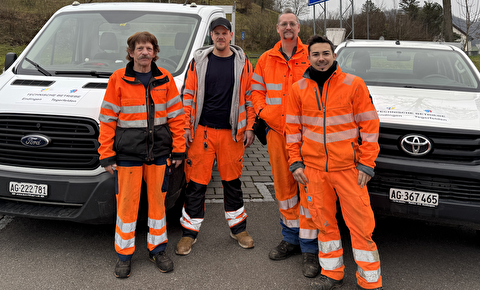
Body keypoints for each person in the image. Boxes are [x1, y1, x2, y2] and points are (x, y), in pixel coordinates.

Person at [285, 35, 383, 290]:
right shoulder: (298, 89)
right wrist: (295, 163)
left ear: (334, 56)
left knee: (361, 226)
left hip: (349, 170)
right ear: (308, 58)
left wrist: (367, 164)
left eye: (325, 53)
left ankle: (370, 280)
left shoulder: (354, 85)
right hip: (314, 172)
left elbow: (370, 127)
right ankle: (332, 273)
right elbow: (293, 130)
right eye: (316, 54)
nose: (321, 59)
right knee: (324, 225)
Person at [98, 31, 186, 278]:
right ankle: (124, 256)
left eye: (149, 48)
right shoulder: (118, 79)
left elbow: (177, 118)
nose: (144, 52)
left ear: (155, 52)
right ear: (131, 53)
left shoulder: (165, 79)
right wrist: (106, 154)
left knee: (158, 206)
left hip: (159, 153)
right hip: (128, 155)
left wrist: (179, 149)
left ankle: (157, 250)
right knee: (126, 208)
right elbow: (107, 121)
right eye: (139, 49)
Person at [176, 17, 256, 255]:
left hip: (232, 134)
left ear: (231, 35)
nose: (221, 37)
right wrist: (186, 126)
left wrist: (250, 126)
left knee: (232, 184)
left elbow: (250, 96)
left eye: (225, 33)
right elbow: (188, 95)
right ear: (211, 36)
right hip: (202, 132)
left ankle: (238, 228)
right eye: (216, 33)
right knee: (196, 184)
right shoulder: (199, 61)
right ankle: (189, 233)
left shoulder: (243, 62)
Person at [250, 8, 320, 278]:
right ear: (277, 29)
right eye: (284, 24)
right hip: (278, 133)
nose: (288, 27)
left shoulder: (311, 54)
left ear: (299, 28)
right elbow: (256, 90)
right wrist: (263, 113)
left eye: (292, 23)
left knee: (308, 190)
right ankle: (290, 239)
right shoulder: (266, 59)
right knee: (284, 188)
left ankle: (310, 248)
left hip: (307, 135)